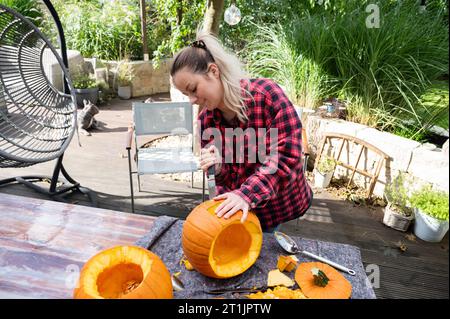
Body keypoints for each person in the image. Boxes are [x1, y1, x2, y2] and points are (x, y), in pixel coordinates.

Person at [170, 31, 313, 232]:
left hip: (281, 206)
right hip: (242, 215)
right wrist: (219, 168)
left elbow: (286, 156)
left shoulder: (267, 96)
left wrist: (246, 195)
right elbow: (227, 180)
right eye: (186, 94)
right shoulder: (206, 121)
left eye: (193, 89)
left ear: (213, 71)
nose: (191, 100)